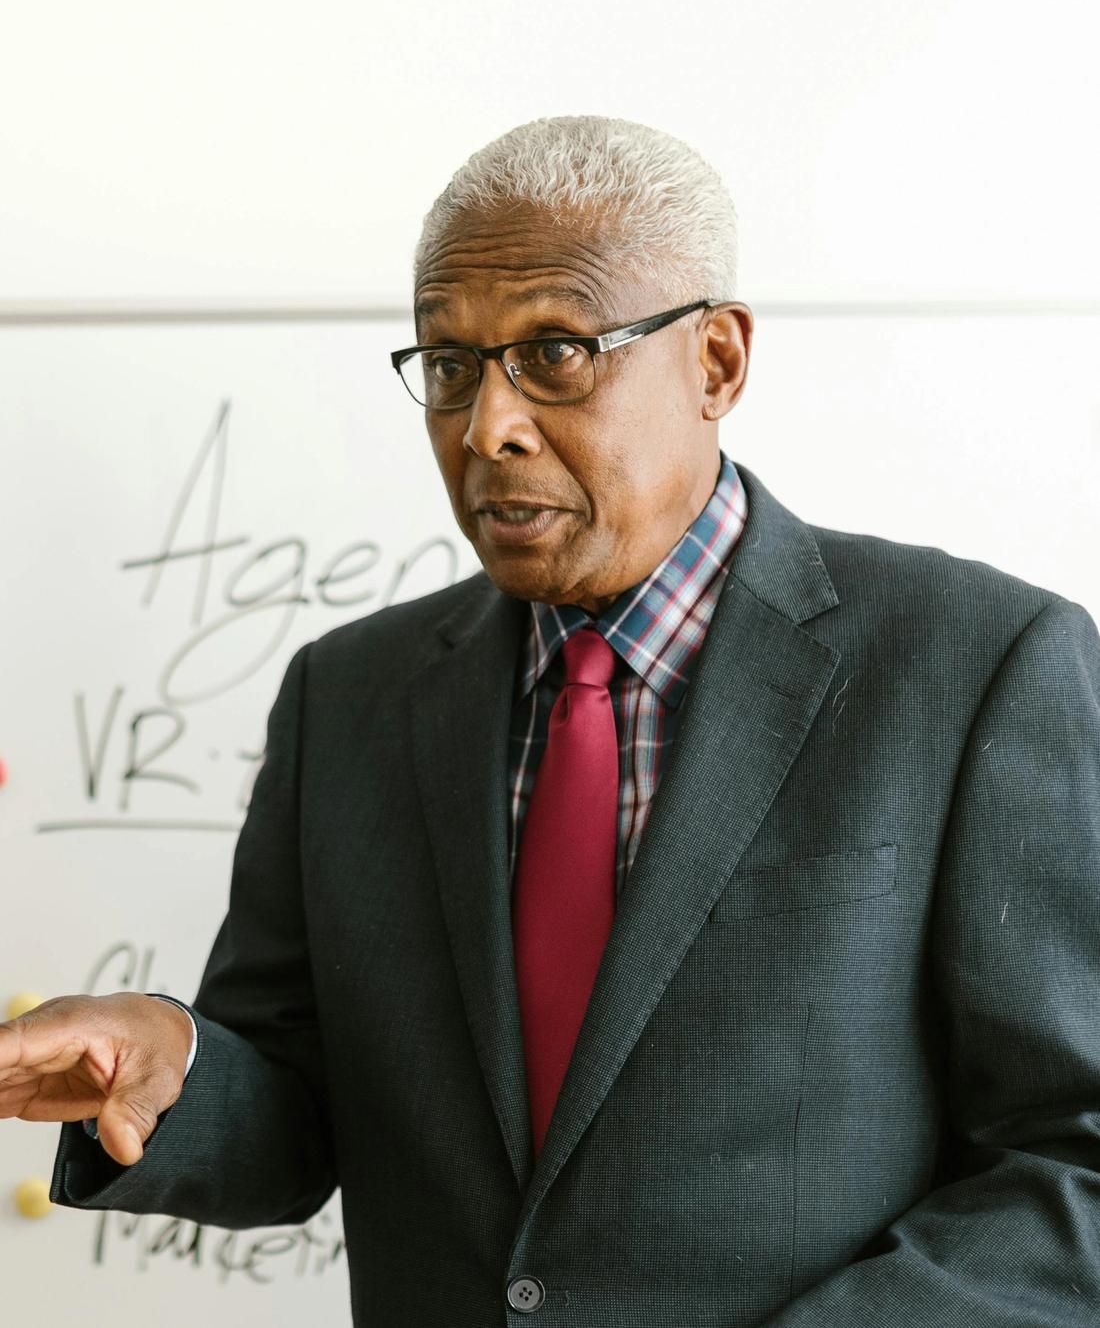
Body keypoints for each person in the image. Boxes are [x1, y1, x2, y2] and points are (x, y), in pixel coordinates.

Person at [3, 114, 1099, 1326]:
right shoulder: (347, 696)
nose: (487, 428)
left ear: (716, 364)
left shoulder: (979, 664)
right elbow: (302, 1107)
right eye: (450, 365)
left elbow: (1074, 1160)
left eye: (556, 352)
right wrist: (169, 1062)